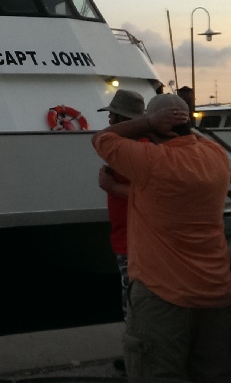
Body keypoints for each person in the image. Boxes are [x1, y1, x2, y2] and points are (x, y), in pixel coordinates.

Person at [92, 94, 231, 383]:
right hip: (215, 291)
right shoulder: (217, 157)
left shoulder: (152, 162)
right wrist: (171, 124)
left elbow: (101, 140)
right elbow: (195, 138)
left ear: (154, 126)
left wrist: (146, 123)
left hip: (163, 294)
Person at [95, 89, 146, 311]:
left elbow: (151, 193)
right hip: (127, 239)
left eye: (112, 115)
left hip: (133, 242)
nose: (109, 119)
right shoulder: (135, 145)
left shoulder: (136, 148)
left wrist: (112, 186)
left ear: (122, 119)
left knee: (134, 305)